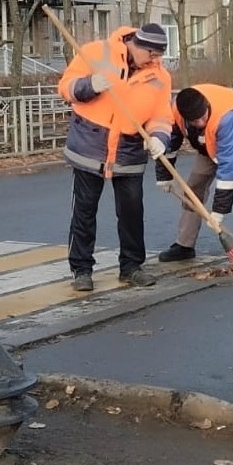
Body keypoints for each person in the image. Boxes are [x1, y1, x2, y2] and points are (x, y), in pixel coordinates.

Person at [58, 23, 173, 291]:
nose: (156, 61)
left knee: (132, 211)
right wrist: (89, 85)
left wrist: (159, 138)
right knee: (84, 211)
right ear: (138, 45)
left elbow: (161, 116)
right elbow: (65, 87)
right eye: (152, 55)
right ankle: (81, 270)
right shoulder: (96, 52)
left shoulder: (160, 77)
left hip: (129, 148)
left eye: (159, 56)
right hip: (90, 145)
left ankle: (131, 267)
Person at [156, 84, 233, 262]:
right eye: (194, 121)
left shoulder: (227, 116)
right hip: (209, 144)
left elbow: (228, 166)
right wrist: (164, 175)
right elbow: (171, 143)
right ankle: (184, 245)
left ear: (206, 106)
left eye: (202, 117)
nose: (199, 123)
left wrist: (219, 211)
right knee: (194, 186)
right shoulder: (176, 110)